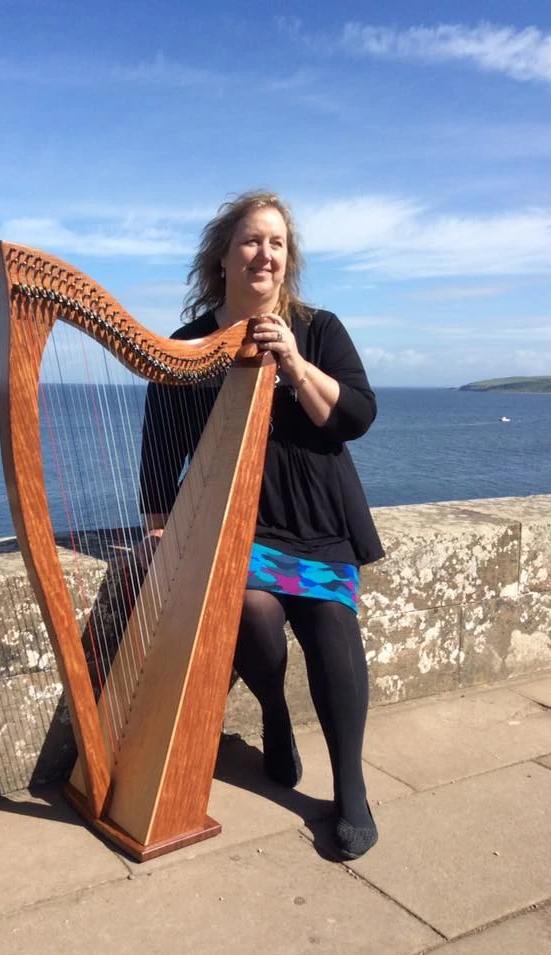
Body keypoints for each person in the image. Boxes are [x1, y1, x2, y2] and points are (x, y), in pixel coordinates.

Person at [138, 190, 384, 859]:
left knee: (334, 633)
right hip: (232, 523)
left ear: (288, 260)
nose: (264, 254)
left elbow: (357, 415)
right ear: (222, 256)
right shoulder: (190, 344)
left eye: (276, 243)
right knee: (251, 615)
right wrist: (161, 527)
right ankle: (274, 714)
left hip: (317, 518)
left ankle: (351, 790)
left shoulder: (318, 327)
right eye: (251, 240)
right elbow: (161, 441)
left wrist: (295, 364)